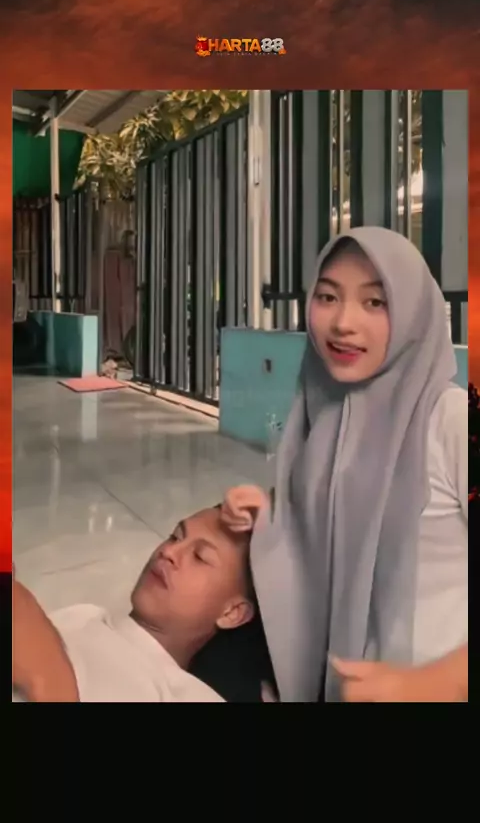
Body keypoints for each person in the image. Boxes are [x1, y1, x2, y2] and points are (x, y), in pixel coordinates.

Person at [221, 227, 468, 703]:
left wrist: (433, 683)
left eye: (375, 302)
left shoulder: (453, 421)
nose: (343, 323)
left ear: (415, 312)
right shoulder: (323, 416)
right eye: (328, 297)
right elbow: (333, 534)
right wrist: (270, 514)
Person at [12, 506, 258, 703]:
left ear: (232, 613)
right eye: (175, 536)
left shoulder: (192, 697)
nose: (169, 552)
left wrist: (47, 678)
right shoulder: (85, 616)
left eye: (199, 557)